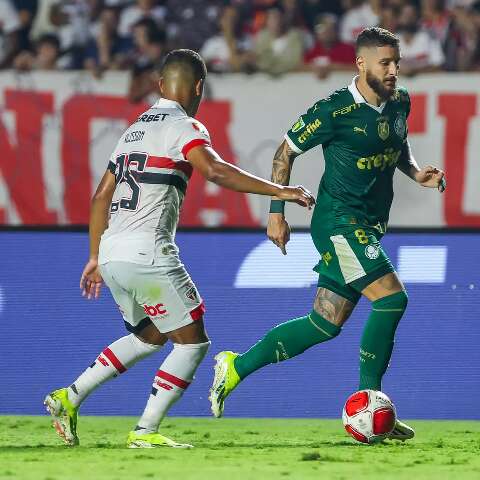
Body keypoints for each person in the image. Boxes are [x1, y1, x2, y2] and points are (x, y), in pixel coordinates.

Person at [44, 49, 314, 449]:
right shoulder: (183, 126)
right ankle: (146, 430)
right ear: (199, 88)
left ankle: (69, 397)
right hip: (147, 252)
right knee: (193, 341)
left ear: (160, 85)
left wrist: (96, 255)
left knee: (148, 335)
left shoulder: (133, 130)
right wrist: (282, 191)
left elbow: (101, 196)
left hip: (114, 250)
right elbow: (215, 171)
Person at [210, 27, 446, 442]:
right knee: (393, 299)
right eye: (385, 63)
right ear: (362, 63)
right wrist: (276, 212)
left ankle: (235, 367)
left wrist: (416, 172)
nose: (393, 70)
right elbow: (285, 151)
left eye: (397, 62)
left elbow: (398, 145)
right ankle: (369, 402)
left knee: (325, 324)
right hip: (338, 223)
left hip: (369, 225)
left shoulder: (399, 102)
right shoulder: (334, 110)